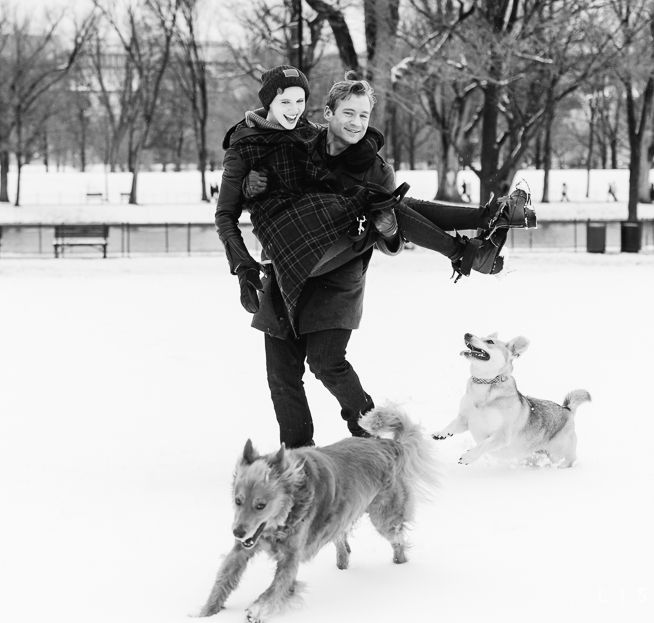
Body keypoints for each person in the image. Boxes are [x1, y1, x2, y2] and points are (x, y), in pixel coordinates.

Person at [215, 67, 531, 449]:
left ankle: (374, 436)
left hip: (338, 265)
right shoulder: (295, 140)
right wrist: (246, 230)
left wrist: (387, 229)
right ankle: (298, 456)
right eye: (347, 113)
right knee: (281, 373)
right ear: (327, 114)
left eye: (363, 115)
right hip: (287, 259)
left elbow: (396, 231)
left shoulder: (357, 156)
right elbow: (236, 205)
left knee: (327, 359)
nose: (356, 122)